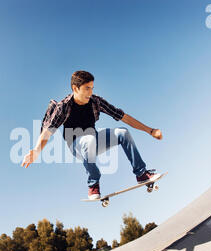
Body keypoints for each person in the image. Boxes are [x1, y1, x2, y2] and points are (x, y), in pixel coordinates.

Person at [21, 70, 163, 200]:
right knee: (87, 140)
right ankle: (93, 184)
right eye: (87, 88)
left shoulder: (96, 101)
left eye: (92, 88)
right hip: (76, 145)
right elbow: (48, 131)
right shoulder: (63, 107)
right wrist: (36, 151)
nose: (90, 92)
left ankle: (141, 174)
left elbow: (123, 116)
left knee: (122, 133)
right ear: (75, 88)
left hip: (94, 140)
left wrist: (149, 130)